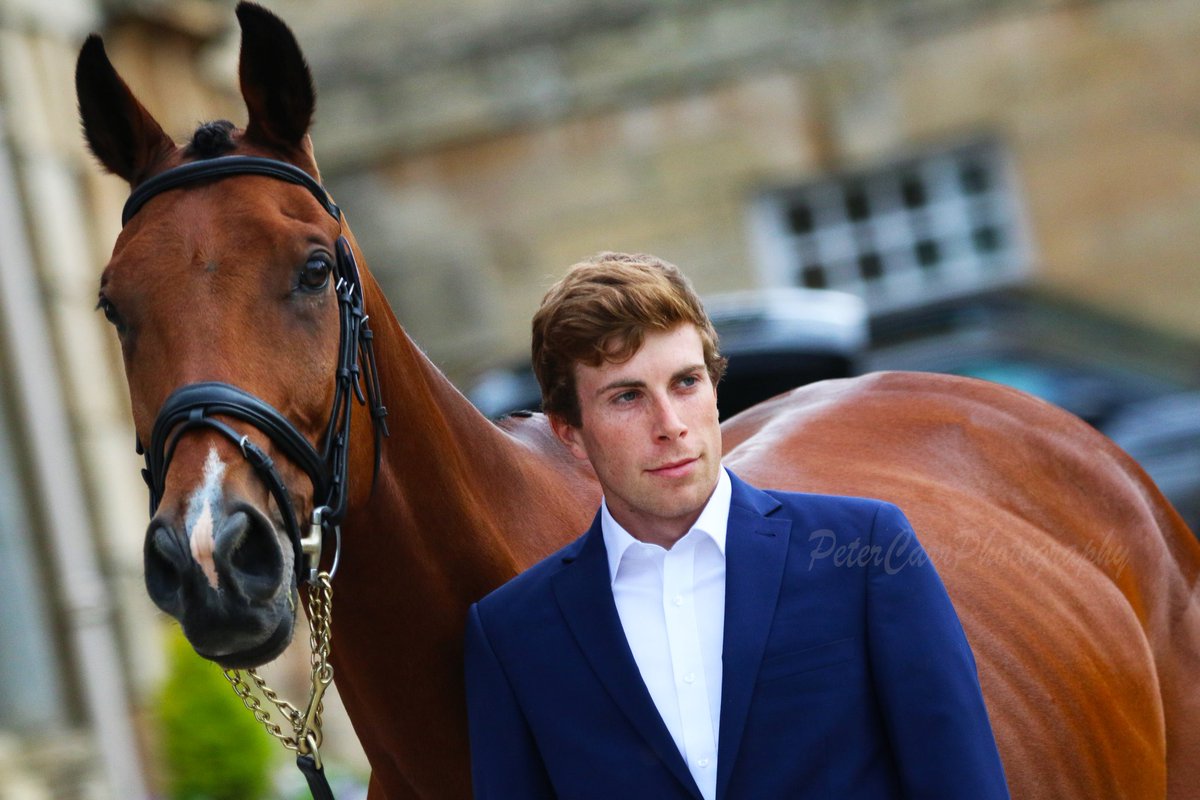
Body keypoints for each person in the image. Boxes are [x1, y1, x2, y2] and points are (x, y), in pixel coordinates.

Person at [464, 252, 1009, 799]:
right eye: (628, 396)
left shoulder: (865, 549)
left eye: (685, 382)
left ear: (715, 389)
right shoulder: (512, 636)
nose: (670, 425)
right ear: (570, 434)